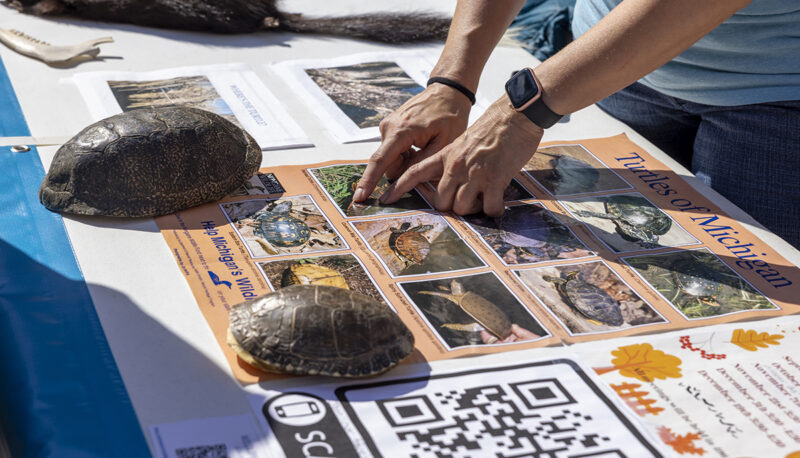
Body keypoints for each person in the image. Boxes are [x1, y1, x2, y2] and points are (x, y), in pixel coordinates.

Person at [353, 0, 800, 248]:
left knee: (761, 270)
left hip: (780, 88)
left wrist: (517, 114)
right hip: (606, 57)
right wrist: (452, 82)